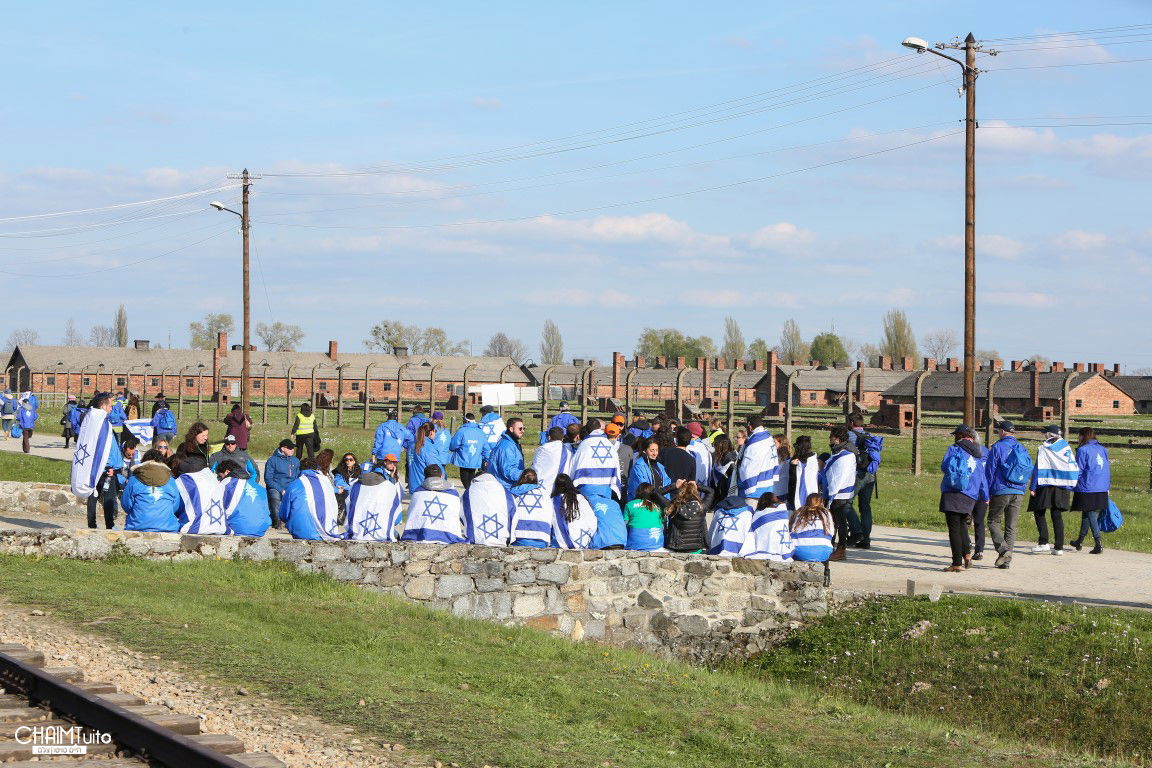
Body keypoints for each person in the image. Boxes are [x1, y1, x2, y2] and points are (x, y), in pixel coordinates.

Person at [571, 420, 626, 548]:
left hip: (586, 490)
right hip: (605, 490)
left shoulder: (584, 445)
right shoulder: (609, 445)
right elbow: (616, 467)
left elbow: (574, 465)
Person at [984, 420, 1031, 569]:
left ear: (1003, 431)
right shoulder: (1021, 448)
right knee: (1011, 526)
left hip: (1001, 489)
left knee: (993, 521)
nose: (998, 432)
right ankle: (1006, 562)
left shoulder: (997, 447)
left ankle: (1004, 550)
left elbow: (989, 472)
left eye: (998, 430)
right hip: (1019, 491)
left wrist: (987, 492)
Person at [939, 425, 986, 571]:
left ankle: (956, 563)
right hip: (971, 495)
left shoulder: (954, 448)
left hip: (953, 491)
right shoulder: (979, 453)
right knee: (962, 526)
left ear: (960, 435)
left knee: (954, 528)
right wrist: (985, 495)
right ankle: (967, 555)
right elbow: (982, 477)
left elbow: (944, 466)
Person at [70, 393, 124, 515]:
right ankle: (107, 525)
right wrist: (110, 467)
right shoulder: (100, 422)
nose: (111, 408)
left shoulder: (95, 418)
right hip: (105, 468)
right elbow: (103, 447)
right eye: (110, 405)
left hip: (106, 467)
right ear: (104, 406)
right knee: (107, 499)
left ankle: (95, 523)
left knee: (99, 497)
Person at [1030, 424, 1078, 556]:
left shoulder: (1045, 448)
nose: (1044, 435)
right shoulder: (1066, 447)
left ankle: (1043, 542)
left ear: (1050, 434)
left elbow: (1038, 467)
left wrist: (1033, 486)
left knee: (1039, 511)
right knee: (1056, 515)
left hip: (1046, 483)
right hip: (1062, 485)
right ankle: (1059, 547)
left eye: (1046, 433)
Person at [279, 457, 342, 541]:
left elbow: (283, 514)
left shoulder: (294, 484)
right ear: (317, 468)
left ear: (299, 469)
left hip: (301, 532)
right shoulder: (326, 482)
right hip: (330, 532)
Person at [1070, 427, 1110, 555]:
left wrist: (1071, 484)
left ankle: (1098, 543)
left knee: (1090, 513)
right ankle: (1079, 541)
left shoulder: (1082, 450)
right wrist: (1107, 486)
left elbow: (1079, 470)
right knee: (1087, 513)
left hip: (1088, 487)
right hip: (1102, 486)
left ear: (1083, 436)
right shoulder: (1103, 449)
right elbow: (1106, 468)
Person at [401, 465, 466, 543]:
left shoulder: (418, 492)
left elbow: (411, 514)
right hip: (449, 536)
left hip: (420, 535)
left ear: (425, 477)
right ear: (442, 476)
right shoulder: (453, 494)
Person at [821, 426, 858, 561]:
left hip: (840, 495)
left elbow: (838, 477)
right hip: (837, 494)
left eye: (830, 437)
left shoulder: (845, 456)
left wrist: (831, 495)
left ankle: (841, 549)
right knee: (835, 522)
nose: (829, 439)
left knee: (840, 523)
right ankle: (832, 547)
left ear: (836, 439)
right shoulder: (839, 454)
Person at [344, 461, 404, 541]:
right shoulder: (387, 486)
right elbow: (396, 511)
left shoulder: (356, 486)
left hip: (358, 529)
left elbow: (348, 506)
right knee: (395, 534)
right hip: (380, 530)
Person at [846, 412, 878, 549]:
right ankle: (866, 539)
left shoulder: (849, 436)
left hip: (856, 474)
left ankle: (857, 531)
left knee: (846, 503)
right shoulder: (870, 436)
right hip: (870, 474)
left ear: (851, 422)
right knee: (865, 507)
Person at [216, 458, 270, 537]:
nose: (220, 479)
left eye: (220, 476)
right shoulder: (259, 487)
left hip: (239, 529)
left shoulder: (227, 482)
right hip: (261, 529)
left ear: (227, 472)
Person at [730, 415, 780, 500]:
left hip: (754, 490)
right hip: (768, 485)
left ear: (749, 426)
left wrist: (741, 483)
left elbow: (748, 469)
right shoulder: (769, 438)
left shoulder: (754, 443)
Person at [174, 456, 226, 534]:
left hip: (195, 527)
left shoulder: (186, 480)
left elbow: (176, 506)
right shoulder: (213, 479)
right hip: (220, 527)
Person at [462, 471, 514, 545]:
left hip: (476, 539)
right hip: (502, 540)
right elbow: (513, 514)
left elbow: (461, 513)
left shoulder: (469, 491)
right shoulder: (505, 492)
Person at [664, 480, 714, 553]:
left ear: (681, 492)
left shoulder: (673, 507)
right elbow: (711, 491)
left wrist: (675, 486)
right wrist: (697, 485)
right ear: (695, 491)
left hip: (676, 548)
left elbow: (656, 493)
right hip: (696, 548)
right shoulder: (702, 507)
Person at [550, 473, 598, 549]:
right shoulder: (580, 498)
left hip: (560, 543)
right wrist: (588, 536)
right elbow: (592, 520)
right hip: (582, 541)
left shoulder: (552, 501)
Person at [743, 492, 794, 561]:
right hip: (781, 546)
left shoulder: (757, 514)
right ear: (774, 500)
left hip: (763, 546)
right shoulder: (782, 508)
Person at [509, 469, 551, 548]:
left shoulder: (512, 494)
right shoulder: (545, 494)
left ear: (521, 478)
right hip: (542, 539)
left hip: (518, 538)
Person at [265, 439, 300, 529]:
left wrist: (292, 489)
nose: (293, 450)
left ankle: (293, 522)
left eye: (293, 448)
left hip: (291, 487)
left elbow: (297, 477)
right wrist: (281, 490)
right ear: (283, 448)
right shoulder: (272, 460)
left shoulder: (295, 461)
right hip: (276, 487)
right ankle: (277, 521)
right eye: (290, 448)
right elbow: (268, 479)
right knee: (275, 497)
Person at [790, 493, 835, 562]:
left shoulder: (799, 512)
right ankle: (825, 569)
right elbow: (831, 532)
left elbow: (792, 531)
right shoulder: (826, 512)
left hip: (799, 552)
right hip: (823, 552)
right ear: (822, 502)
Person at [622, 482, 666, 551]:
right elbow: (663, 526)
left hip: (634, 546)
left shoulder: (629, 505)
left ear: (637, 492)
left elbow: (624, 527)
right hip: (657, 546)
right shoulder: (659, 505)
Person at [531, 426, 573, 497]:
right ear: (562, 438)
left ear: (549, 437)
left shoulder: (541, 449)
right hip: (560, 487)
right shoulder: (568, 452)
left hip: (542, 485)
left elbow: (535, 466)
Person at [486, 417, 526, 489]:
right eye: (520, 429)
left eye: (524, 428)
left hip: (505, 485)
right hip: (505, 487)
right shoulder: (507, 446)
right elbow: (507, 470)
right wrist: (525, 476)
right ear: (511, 429)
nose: (523, 431)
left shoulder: (511, 443)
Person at [448, 413, 486, 489]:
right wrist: (487, 458)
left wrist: (453, 449)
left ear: (466, 420)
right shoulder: (480, 432)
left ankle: (468, 493)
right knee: (471, 477)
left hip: (463, 459)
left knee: (464, 478)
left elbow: (453, 445)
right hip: (475, 460)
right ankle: (470, 492)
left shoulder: (461, 431)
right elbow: (485, 447)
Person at [406, 422, 445, 492]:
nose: (435, 433)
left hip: (413, 486)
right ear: (431, 432)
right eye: (435, 431)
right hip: (426, 487)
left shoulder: (412, 446)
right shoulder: (428, 448)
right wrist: (444, 478)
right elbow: (436, 467)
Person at [788, 436, 820, 511]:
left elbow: (795, 479)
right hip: (809, 495)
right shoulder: (812, 459)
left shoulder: (809, 461)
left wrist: (793, 466)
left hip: (802, 494)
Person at [684, 422, 713, 488]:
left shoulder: (691, 447)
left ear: (690, 434)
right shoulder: (705, 446)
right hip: (705, 488)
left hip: (694, 488)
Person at [709, 435, 738, 501]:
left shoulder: (731, 461)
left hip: (726, 496)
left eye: (715, 444)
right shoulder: (721, 456)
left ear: (720, 445)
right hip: (719, 494)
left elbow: (732, 483)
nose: (713, 446)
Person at [333, 452, 361, 520]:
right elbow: (339, 482)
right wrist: (350, 488)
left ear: (354, 461)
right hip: (345, 490)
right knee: (343, 494)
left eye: (350, 459)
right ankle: (341, 515)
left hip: (355, 490)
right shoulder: (339, 469)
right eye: (346, 460)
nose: (348, 461)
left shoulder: (358, 470)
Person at [772, 434, 792, 500]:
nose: (772, 445)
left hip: (777, 491)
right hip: (783, 490)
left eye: (774, 442)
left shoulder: (781, 459)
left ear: (781, 443)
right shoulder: (788, 458)